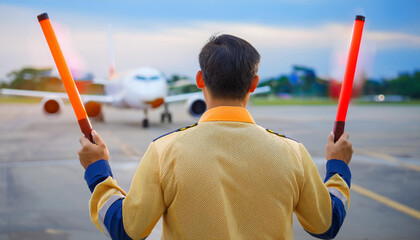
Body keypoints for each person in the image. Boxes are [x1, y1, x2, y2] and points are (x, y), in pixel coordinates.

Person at [79, 34, 353, 240]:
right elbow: (326, 225)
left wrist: (98, 171)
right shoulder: (293, 153)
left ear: (200, 79)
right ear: (254, 84)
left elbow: (127, 229)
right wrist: (338, 167)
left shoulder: (164, 151)